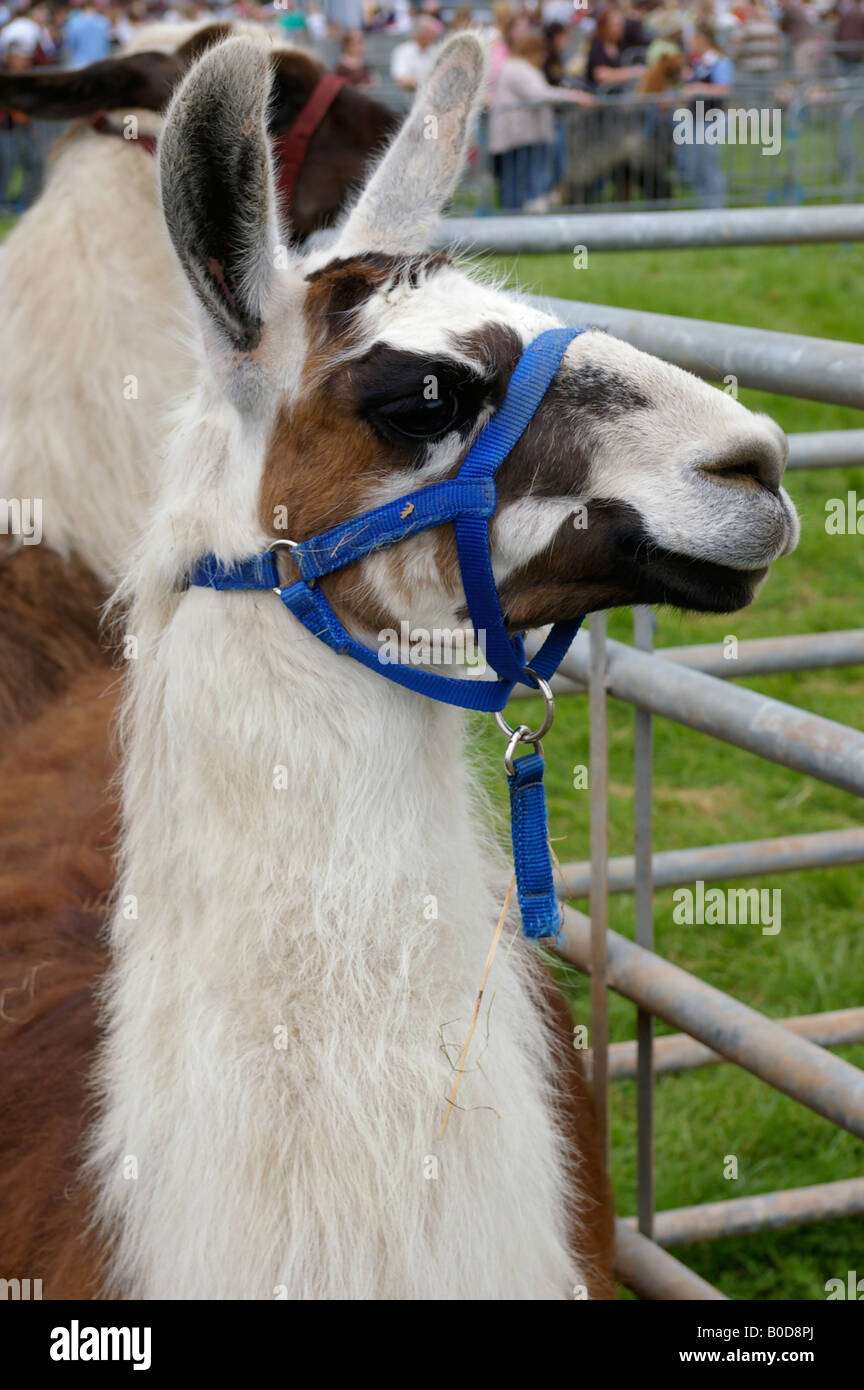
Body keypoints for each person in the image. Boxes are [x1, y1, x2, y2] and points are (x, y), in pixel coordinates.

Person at [490, 31, 594, 210]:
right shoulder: (517, 68)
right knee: (517, 182)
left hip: (523, 136)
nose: (544, 56)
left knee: (520, 180)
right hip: (518, 137)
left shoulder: (517, 67)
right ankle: (512, 220)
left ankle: (517, 218)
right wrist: (574, 96)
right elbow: (539, 94)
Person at [680, 22, 735, 207]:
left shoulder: (719, 62)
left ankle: (715, 212)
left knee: (710, 168)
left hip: (712, 120)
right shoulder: (698, 64)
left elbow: (724, 89)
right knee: (697, 168)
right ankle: (704, 210)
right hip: (696, 120)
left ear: (703, 39)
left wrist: (698, 88)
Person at [0, 42, 44, 212]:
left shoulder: (26, 78)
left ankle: (23, 201)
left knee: (34, 163)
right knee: (5, 164)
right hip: (5, 128)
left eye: (26, 58)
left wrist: (32, 128)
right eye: (20, 57)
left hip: (22, 128)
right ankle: (2, 202)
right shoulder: (6, 76)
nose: (23, 61)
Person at [585, 5, 646, 89]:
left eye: (621, 25)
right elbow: (600, 74)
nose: (620, 29)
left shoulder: (622, 44)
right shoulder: (597, 46)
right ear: (605, 26)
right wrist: (631, 72)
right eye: (616, 25)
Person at [391, 15, 439, 90]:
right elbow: (402, 79)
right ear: (420, 33)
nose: (433, 36)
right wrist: (424, 84)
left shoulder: (436, 50)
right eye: (430, 32)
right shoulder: (403, 51)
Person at [63, 0, 112, 68]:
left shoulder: (74, 23)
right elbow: (107, 45)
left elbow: (69, 46)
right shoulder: (104, 22)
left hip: (80, 65)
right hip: (100, 65)